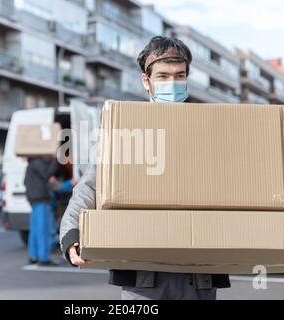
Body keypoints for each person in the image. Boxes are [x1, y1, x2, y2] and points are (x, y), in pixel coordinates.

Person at [60, 36, 231, 300]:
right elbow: (90, 186)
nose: (172, 83)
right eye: (162, 76)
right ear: (146, 81)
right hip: (143, 274)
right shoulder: (126, 130)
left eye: (179, 75)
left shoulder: (210, 129)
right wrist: (72, 235)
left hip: (199, 273)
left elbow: (247, 190)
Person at [24, 156, 59, 266]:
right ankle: (43, 257)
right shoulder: (38, 162)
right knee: (43, 229)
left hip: (34, 199)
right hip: (41, 199)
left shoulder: (31, 164)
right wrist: (56, 160)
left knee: (35, 230)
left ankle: (33, 256)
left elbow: (25, 181)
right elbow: (47, 173)